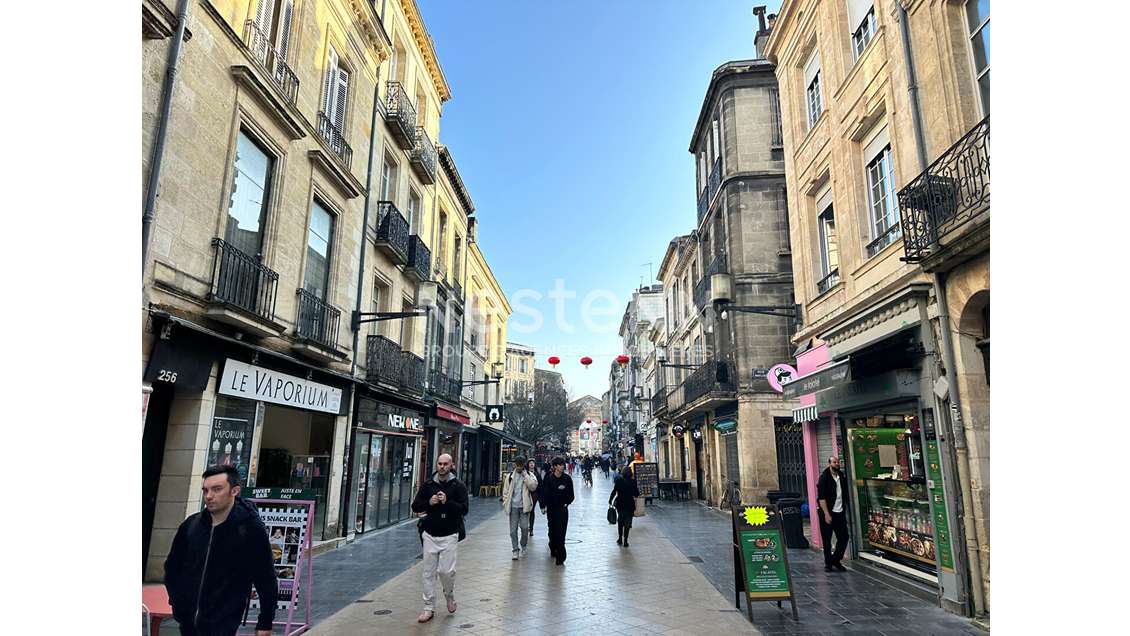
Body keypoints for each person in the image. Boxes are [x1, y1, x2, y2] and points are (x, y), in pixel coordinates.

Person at [164, 465, 276, 636]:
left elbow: (265, 577)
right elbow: (172, 567)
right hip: (186, 622)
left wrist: (265, 622)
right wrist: (178, 602)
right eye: (205, 490)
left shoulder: (249, 529)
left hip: (223, 623)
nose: (209, 496)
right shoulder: (192, 525)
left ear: (234, 491)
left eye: (217, 489)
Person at [410, 453, 469, 623]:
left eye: (445, 464)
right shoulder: (428, 485)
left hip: (450, 534)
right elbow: (416, 506)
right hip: (430, 534)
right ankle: (428, 607)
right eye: (439, 463)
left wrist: (447, 501)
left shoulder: (458, 486)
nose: (442, 467)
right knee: (428, 573)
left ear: (452, 465)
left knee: (446, 572)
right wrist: (429, 502)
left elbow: (464, 509)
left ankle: (449, 595)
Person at [538, 456, 575, 565]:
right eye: (559, 464)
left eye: (563, 464)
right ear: (554, 467)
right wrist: (543, 505)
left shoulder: (567, 479)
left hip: (562, 510)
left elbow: (571, 496)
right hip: (551, 509)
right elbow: (544, 493)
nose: (562, 466)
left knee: (561, 532)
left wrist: (566, 503)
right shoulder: (549, 478)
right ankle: (553, 547)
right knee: (552, 531)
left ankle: (561, 556)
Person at [500, 456, 538, 560]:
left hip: (524, 507)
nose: (519, 467)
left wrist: (525, 475)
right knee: (513, 530)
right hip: (513, 507)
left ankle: (523, 544)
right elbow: (506, 491)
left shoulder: (530, 475)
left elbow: (533, 487)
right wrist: (505, 502)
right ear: (515, 464)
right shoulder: (510, 476)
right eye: (517, 464)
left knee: (525, 528)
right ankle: (515, 550)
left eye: (521, 465)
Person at [817, 455, 850, 572]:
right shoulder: (824, 478)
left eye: (838, 462)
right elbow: (821, 498)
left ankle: (836, 559)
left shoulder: (841, 476)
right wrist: (826, 514)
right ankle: (828, 564)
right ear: (829, 464)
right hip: (828, 512)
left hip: (839, 512)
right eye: (834, 462)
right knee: (827, 539)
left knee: (844, 537)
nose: (837, 464)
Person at [609, 462, 640, 547]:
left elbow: (614, 491)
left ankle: (620, 538)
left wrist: (610, 500)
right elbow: (636, 494)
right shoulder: (633, 482)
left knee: (620, 521)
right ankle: (626, 540)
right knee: (628, 523)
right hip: (630, 504)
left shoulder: (619, 481)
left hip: (620, 503)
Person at [525, 459, 540, 539]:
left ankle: (531, 528)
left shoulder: (537, 474)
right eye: (530, 463)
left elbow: (540, 485)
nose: (531, 464)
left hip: (534, 494)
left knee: (532, 510)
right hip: (526, 494)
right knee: (526, 510)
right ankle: (526, 527)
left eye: (533, 463)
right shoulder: (525, 473)